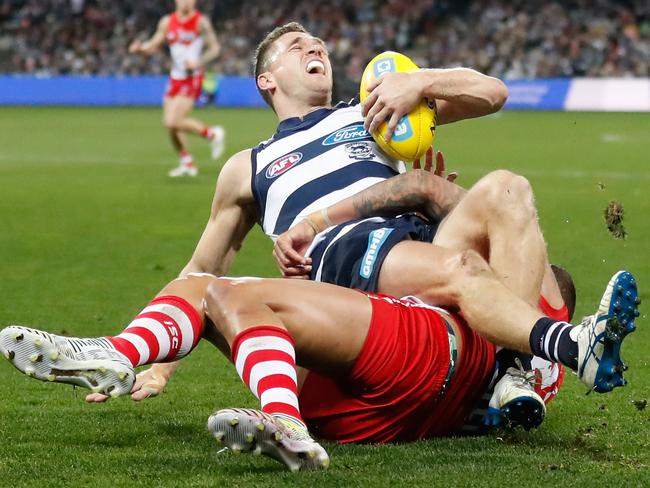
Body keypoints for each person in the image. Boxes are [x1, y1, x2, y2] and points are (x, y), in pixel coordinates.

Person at [0, 266, 639, 471]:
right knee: (214, 295)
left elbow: (498, 206)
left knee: (221, 292)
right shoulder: (531, 363)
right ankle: (128, 351)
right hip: (392, 417)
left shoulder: (527, 301)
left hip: (414, 352)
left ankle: (281, 418)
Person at [129, 0, 225, 177]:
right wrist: (140, 50)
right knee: (170, 125)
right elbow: (152, 45)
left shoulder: (200, 21)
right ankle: (187, 162)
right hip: (175, 77)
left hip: (192, 77)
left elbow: (215, 49)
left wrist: (197, 63)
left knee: (172, 121)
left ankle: (212, 134)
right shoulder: (167, 22)